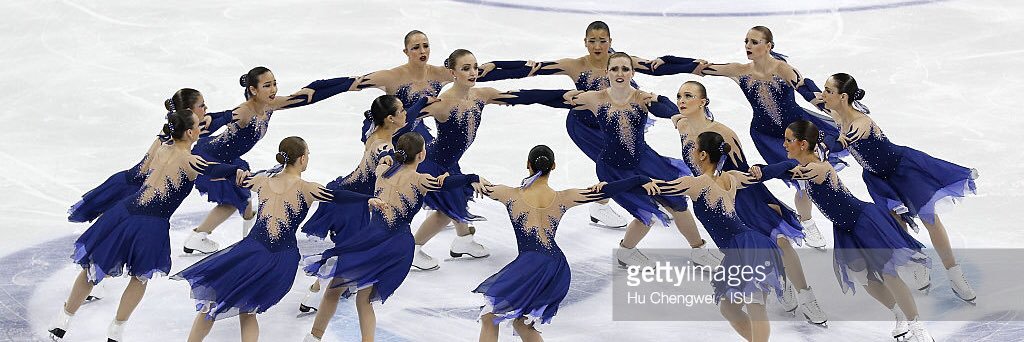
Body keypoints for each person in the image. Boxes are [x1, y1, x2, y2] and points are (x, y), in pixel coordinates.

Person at [48, 109, 242, 342]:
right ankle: (116, 330)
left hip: (123, 213)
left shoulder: (161, 148)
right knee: (139, 278)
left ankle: (63, 318)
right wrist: (238, 172)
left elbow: (148, 159)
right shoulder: (191, 161)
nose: (202, 128)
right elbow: (215, 170)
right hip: (150, 225)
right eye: (199, 125)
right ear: (190, 132)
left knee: (92, 268)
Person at [173, 137, 381, 342]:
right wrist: (367, 199)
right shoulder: (307, 188)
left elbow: (226, 175)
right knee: (248, 311)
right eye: (307, 155)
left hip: (250, 252)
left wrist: (226, 171)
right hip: (280, 259)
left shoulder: (262, 180)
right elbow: (338, 196)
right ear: (301, 159)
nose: (308, 158)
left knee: (213, 305)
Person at [752, 120, 935, 341]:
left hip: (864, 221)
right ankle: (899, 315)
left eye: (789, 140)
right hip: (844, 229)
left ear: (802, 144)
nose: (783, 144)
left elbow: (784, 169)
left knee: (888, 272)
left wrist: (762, 171)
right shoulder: (807, 163)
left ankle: (917, 326)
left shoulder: (818, 168)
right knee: (863, 277)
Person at [671, 81, 827, 324]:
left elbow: (744, 170)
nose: (681, 100)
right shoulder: (681, 125)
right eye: (679, 96)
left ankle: (807, 297)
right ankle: (781, 280)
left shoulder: (724, 133)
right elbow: (667, 112)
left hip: (743, 196)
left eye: (688, 96)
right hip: (716, 203)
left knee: (781, 241)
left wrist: (766, 190)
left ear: (703, 102)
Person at [302, 132, 482, 342]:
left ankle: (314, 337)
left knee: (336, 290)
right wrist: (472, 178)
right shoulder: (420, 180)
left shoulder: (383, 172)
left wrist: (385, 157)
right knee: (363, 299)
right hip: (394, 243)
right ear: (422, 155)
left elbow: (383, 160)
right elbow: (448, 184)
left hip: (371, 239)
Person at [818, 72, 978, 301]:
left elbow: (846, 140)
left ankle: (954, 274)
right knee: (896, 224)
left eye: (828, 91)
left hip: (903, 170)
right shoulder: (835, 112)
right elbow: (809, 93)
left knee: (929, 219)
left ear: (843, 97)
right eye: (825, 90)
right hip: (876, 178)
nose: (824, 94)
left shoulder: (861, 123)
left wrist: (821, 143)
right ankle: (916, 262)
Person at [474, 145, 657, 341]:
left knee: (489, 317)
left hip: (533, 264)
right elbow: (606, 192)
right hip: (557, 267)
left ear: (528, 165)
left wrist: (470, 178)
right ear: (553, 166)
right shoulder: (564, 198)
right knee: (523, 323)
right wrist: (640, 179)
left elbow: (463, 185)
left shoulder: (508, 194)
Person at [185, 66, 362, 254]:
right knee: (232, 202)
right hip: (212, 157)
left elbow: (307, 95)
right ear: (253, 90)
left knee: (243, 198)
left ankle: (247, 238)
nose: (273, 90)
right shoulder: (244, 112)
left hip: (229, 158)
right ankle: (197, 237)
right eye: (267, 85)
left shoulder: (270, 105)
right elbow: (215, 120)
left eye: (274, 84)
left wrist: (347, 84)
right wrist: (177, 135)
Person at [699, 26, 842, 248]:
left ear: (769, 46)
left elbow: (805, 89)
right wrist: (654, 63)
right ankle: (807, 221)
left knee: (811, 175)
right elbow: (700, 68)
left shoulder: (782, 69)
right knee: (800, 179)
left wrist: (833, 110)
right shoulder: (740, 71)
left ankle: (810, 218)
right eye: (746, 41)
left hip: (798, 130)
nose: (748, 46)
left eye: (755, 42)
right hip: (766, 136)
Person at [658, 131, 785, 342]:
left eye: (695, 148)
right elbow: (764, 175)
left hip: (747, 247)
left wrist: (620, 185)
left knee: (755, 305)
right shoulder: (731, 177)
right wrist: (773, 168)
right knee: (728, 307)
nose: (693, 152)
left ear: (702, 155)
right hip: (742, 247)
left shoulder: (697, 183)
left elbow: (659, 188)